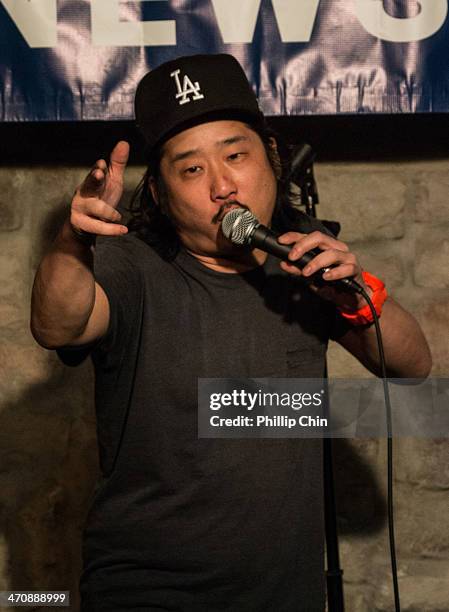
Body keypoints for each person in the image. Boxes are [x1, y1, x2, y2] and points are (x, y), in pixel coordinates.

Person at [30, 54, 431, 611]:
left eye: (236, 155)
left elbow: (413, 366)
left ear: (271, 157)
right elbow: (57, 324)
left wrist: (356, 295)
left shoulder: (300, 257)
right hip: (149, 595)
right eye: (191, 170)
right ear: (161, 195)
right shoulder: (129, 264)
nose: (223, 186)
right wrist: (73, 242)